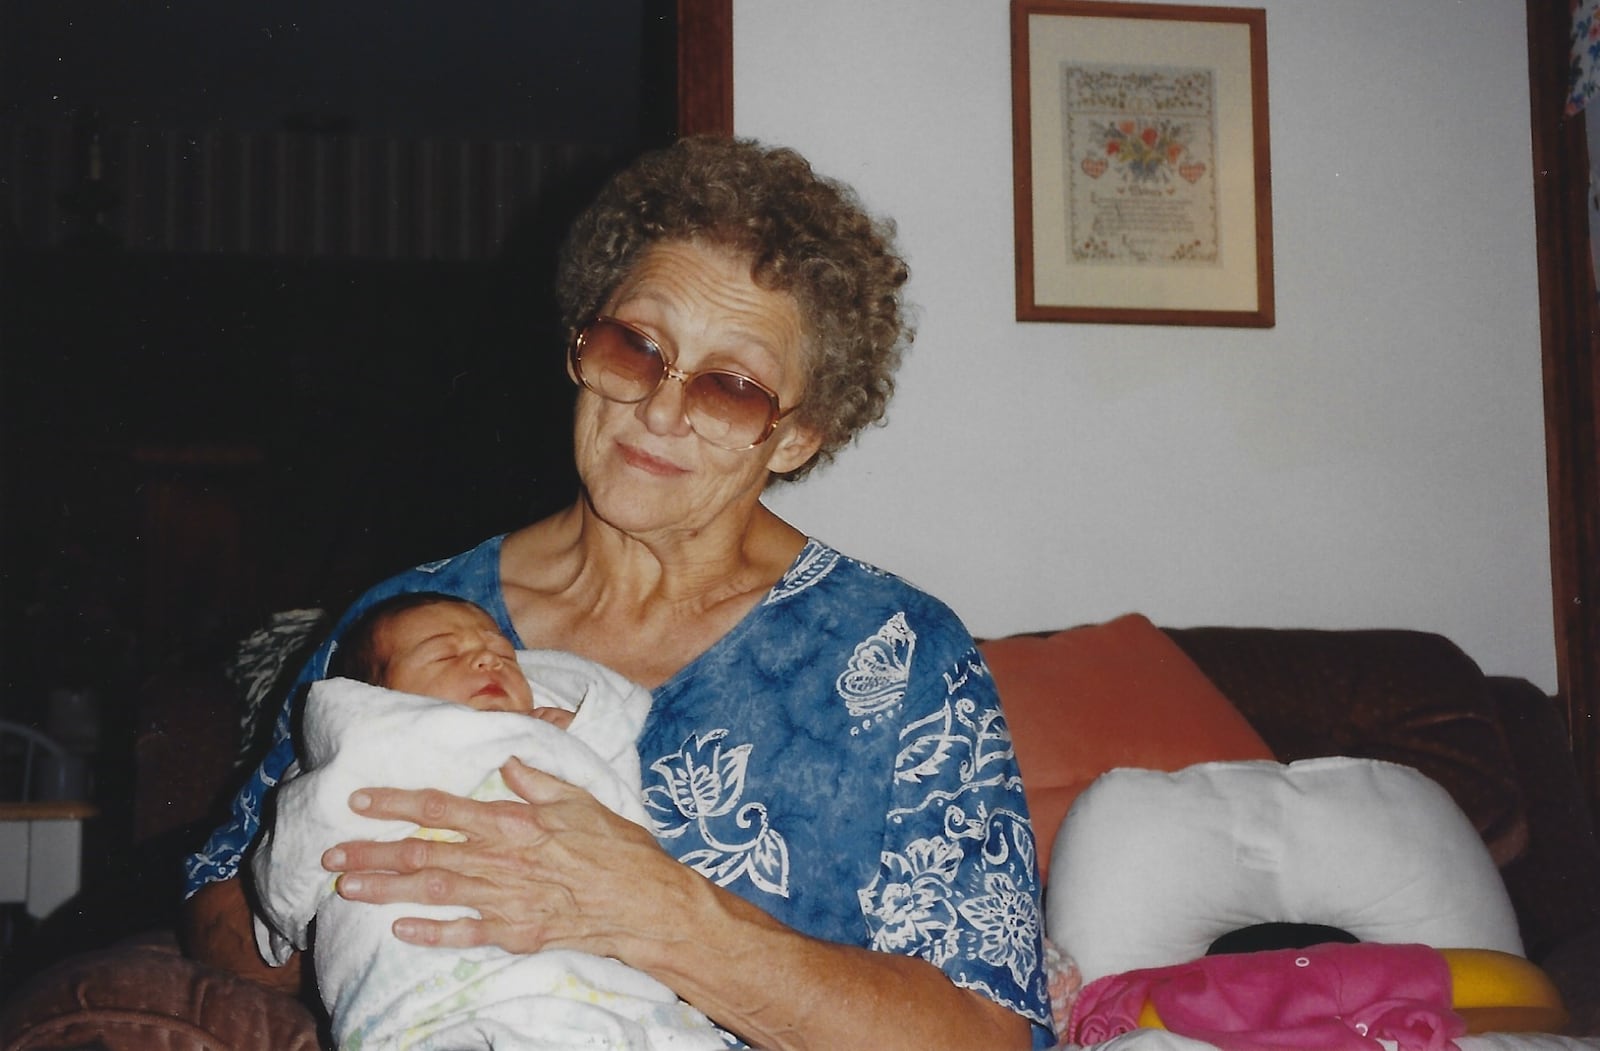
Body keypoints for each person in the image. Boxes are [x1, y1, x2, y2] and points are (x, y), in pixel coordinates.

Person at [183, 134, 1054, 1050]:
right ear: (579, 342)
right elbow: (215, 913)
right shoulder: (417, 617)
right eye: (636, 346)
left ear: (797, 436)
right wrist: (378, 874)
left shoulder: (899, 650)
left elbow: (988, 1031)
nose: (661, 410)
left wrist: (657, 914)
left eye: (731, 387)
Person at [250, 592, 728, 1050]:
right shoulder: (364, 748)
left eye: (504, 654)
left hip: (597, 986)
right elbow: (300, 838)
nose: (488, 661)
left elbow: (624, 830)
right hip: (432, 991)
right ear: (375, 695)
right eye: (444, 656)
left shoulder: (550, 739)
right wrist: (286, 916)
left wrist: (581, 743)